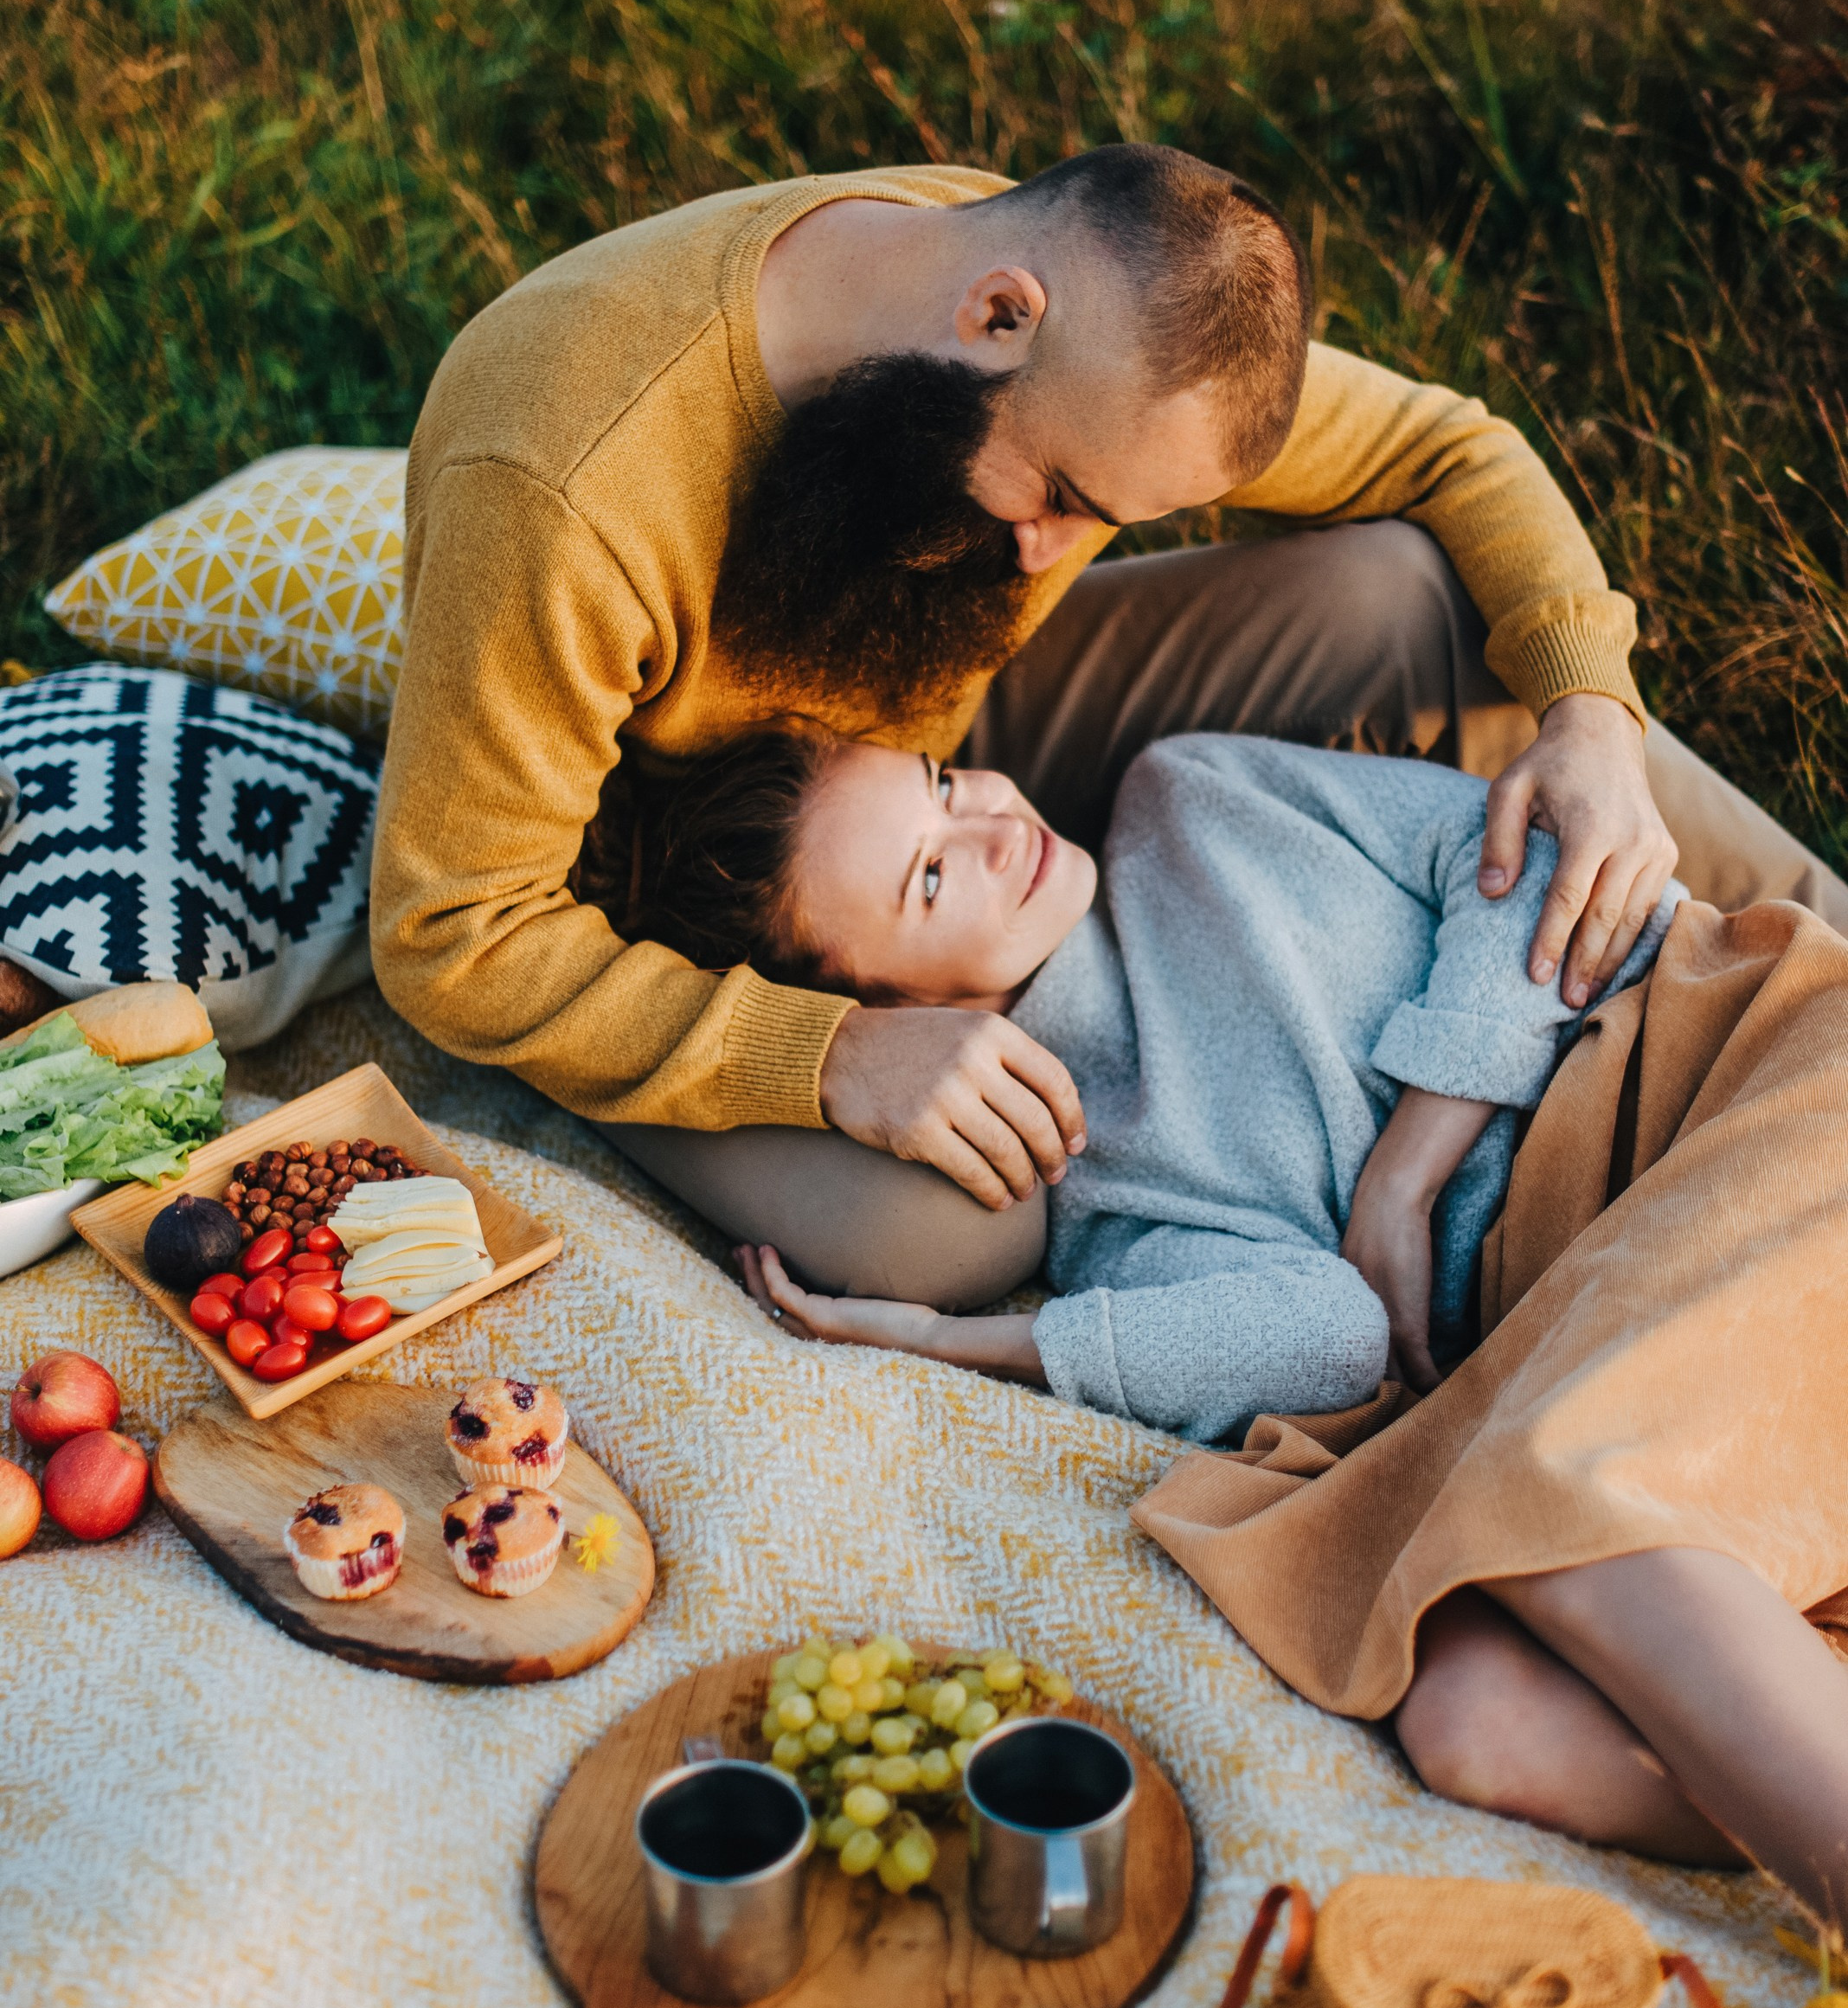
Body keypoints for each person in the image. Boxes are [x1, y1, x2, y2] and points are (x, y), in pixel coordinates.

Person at [372, 145, 1848, 1307]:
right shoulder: (566, 484)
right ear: (997, 314)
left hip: (931, 760)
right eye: (1071, 498)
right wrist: (817, 1054)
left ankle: (1823, 960)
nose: (1054, 560)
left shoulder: (1074, 332)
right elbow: (452, 931)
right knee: (965, 1223)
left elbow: (1448, 446)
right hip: (730, 877)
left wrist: (1592, 715)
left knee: (1418, 603)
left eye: (1109, 522)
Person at [641, 721, 1848, 1932]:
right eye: (931, 877)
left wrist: (1406, 1170)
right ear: (889, 1014)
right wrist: (948, 1339)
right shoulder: (1099, 1184)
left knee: (1573, 1517)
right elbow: (1327, 1334)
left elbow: (1530, 863)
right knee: (1478, 1724)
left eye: (944, 785)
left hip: (1731, 1081)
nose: (996, 826)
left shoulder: (1190, 789)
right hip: (1581, 1328)